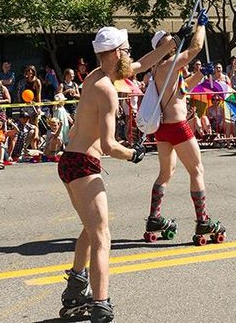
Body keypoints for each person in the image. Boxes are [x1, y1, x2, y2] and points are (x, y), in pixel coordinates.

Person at [56, 26, 168, 322]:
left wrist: (169, 46)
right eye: (127, 49)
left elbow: (141, 65)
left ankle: (74, 288)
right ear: (117, 52)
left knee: (90, 228)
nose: (130, 54)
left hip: (70, 161)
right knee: (103, 235)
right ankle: (101, 304)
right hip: (83, 164)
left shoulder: (95, 75)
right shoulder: (106, 88)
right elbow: (108, 145)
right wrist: (134, 154)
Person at [145, 14, 224, 247]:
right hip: (177, 127)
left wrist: (200, 74)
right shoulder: (168, 64)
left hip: (164, 129)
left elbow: (182, 90)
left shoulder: (167, 69)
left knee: (166, 173)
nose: (173, 43)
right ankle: (203, 221)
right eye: (168, 41)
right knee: (197, 170)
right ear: (161, 47)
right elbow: (196, 47)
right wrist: (201, 25)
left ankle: (154, 218)